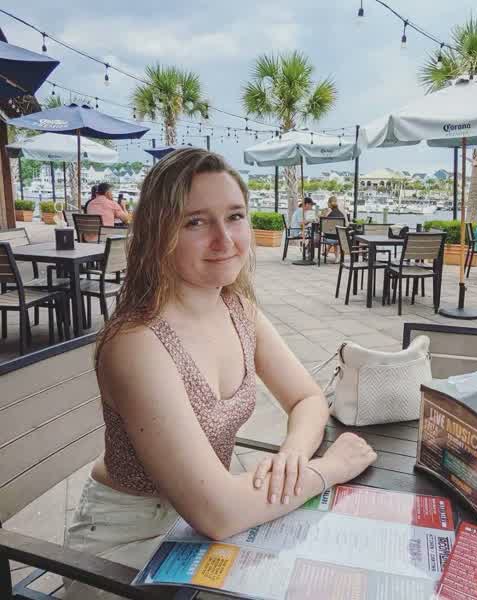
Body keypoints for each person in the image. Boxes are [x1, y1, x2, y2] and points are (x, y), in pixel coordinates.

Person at [63, 149, 376, 598]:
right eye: (195, 222)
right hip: (123, 551)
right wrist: (329, 468)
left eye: (234, 216)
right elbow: (219, 513)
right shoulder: (136, 343)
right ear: (158, 232)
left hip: (205, 529)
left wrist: (293, 454)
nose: (224, 240)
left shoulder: (238, 310)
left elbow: (307, 399)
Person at [322, 196, 346, 262]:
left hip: (329, 238)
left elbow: (323, 228)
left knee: (330, 234)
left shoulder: (329, 214)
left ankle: (328, 252)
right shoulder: (341, 214)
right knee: (336, 235)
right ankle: (337, 258)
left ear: (329, 203)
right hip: (340, 239)